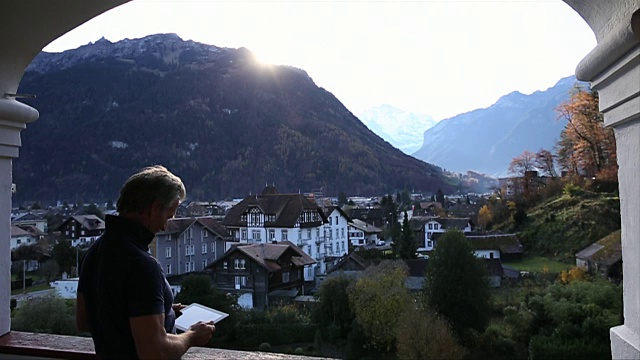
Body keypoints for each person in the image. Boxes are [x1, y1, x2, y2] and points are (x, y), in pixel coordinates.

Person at [76, 165, 215, 359]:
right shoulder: (142, 265)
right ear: (155, 208)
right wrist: (192, 336)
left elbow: (85, 320)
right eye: (168, 216)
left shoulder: (94, 252)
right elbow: (155, 352)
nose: (165, 225)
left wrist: (159, 312)